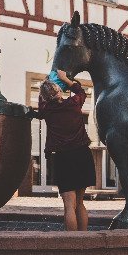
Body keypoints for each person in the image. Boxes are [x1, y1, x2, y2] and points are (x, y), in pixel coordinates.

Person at [36, 69, 95, 231]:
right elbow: (81, 91)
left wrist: (45, 86)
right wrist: (66, 80)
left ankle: (72, 242)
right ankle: (83, 240)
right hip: (82, 155)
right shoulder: (74, 103)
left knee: (69, 206)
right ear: (59, 91)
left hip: (63, 158)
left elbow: (41, 104)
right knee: (80, 203)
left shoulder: (47, 111)